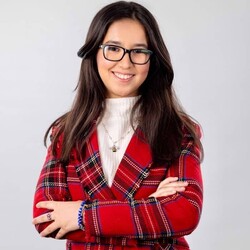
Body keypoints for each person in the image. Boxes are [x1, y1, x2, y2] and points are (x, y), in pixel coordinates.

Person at [32, 1, 203, 249]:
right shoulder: (67, 131)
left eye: (139, 51)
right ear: (94, 52)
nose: (125, 63)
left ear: (152, 59)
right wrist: (149, 211)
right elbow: (45, 218)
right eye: (113, 48)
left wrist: (80, 215)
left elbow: (186, 212)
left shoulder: (178, 130)